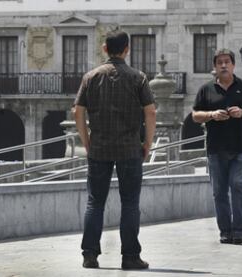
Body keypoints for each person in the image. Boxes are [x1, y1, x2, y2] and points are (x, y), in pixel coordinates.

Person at [73, 30, 156, 270]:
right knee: (130, 203)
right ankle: (130, 256)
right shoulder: (138, 78)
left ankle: (90, 255)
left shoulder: (91, 77)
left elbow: (77, 111)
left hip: (98, 148)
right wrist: (147, 144)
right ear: (127, 49)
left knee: (94, 202)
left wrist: (86, 141)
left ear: (105, 49)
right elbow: (151, 112)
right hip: (130, 148)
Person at [192, 48, 242, 244]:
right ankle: (225, 231)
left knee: (238, 186)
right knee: (220, 192)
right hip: (215, 149)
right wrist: (212, 115)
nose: (223, 65)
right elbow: (195, 115)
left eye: (227, 62)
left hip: (240, 147)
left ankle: (239, 231)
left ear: (233, 65)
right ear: (214, 67)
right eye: (219, 62)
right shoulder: (206, 89)